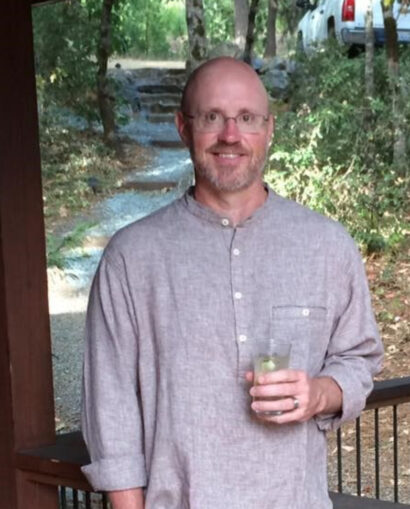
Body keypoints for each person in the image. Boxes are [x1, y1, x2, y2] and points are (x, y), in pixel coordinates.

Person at [81, 57, 384, 509]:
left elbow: (359, 359)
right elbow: (111, 408)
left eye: (246, 118)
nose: (230, 135)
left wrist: (319, 393)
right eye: (212, 117)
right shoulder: (131, 257)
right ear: (183, 127)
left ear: (269, 129)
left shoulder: (327, 245)